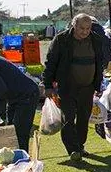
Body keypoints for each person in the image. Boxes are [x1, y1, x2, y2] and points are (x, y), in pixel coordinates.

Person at [43, 14, 107, 162]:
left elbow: (100, 62)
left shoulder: (96, 39)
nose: (85, 32)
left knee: (84, 118)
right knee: (68, 118)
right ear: (74, 25)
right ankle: (72, 149)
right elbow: (50, 62)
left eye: (88, 28)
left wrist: (98, 83)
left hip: (88, 87)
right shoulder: (61, 40)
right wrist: (47, 85)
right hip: (67, 86)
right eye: (82, 28)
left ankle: (80, 146)